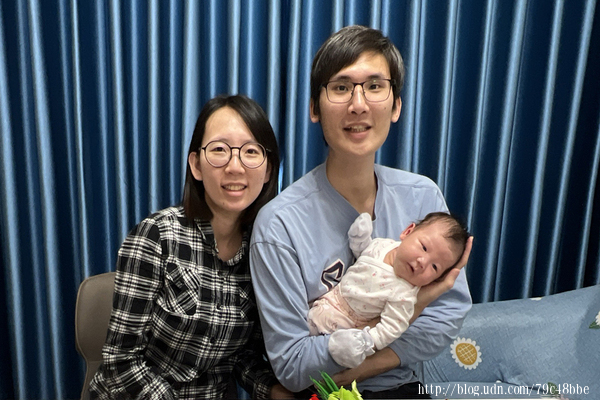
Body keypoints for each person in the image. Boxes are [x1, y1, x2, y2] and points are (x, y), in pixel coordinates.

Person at [250, 25, 473, 399]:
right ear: (314, 108)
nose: (358, 104)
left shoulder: (422, 196)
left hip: (400, 387)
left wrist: (366, 364)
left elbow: (447, 316)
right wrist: (414, 311)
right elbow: (291, 364)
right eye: (341, 87)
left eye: (374, 86)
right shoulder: (279, 225)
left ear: (396, 105)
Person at [89, 94, 292, 399]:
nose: (235, 166)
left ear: (267, 170)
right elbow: (121, 362)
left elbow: (242, 357)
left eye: (251, 151)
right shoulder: (156, 236)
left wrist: (275, 391)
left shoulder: (262, 251)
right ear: (196, 164)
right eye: (220, 150)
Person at [309, 212, 470, 369]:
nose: (423, 262)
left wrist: (365, 341)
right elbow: (364, 256)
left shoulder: (404, 295)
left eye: (434, 267)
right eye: (424, 247)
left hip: (340, 329)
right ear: (407, 232)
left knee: (310, 355)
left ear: (435, 279)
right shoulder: (384, 245)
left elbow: (390, 329)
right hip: (324, 301)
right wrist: (360, 240)